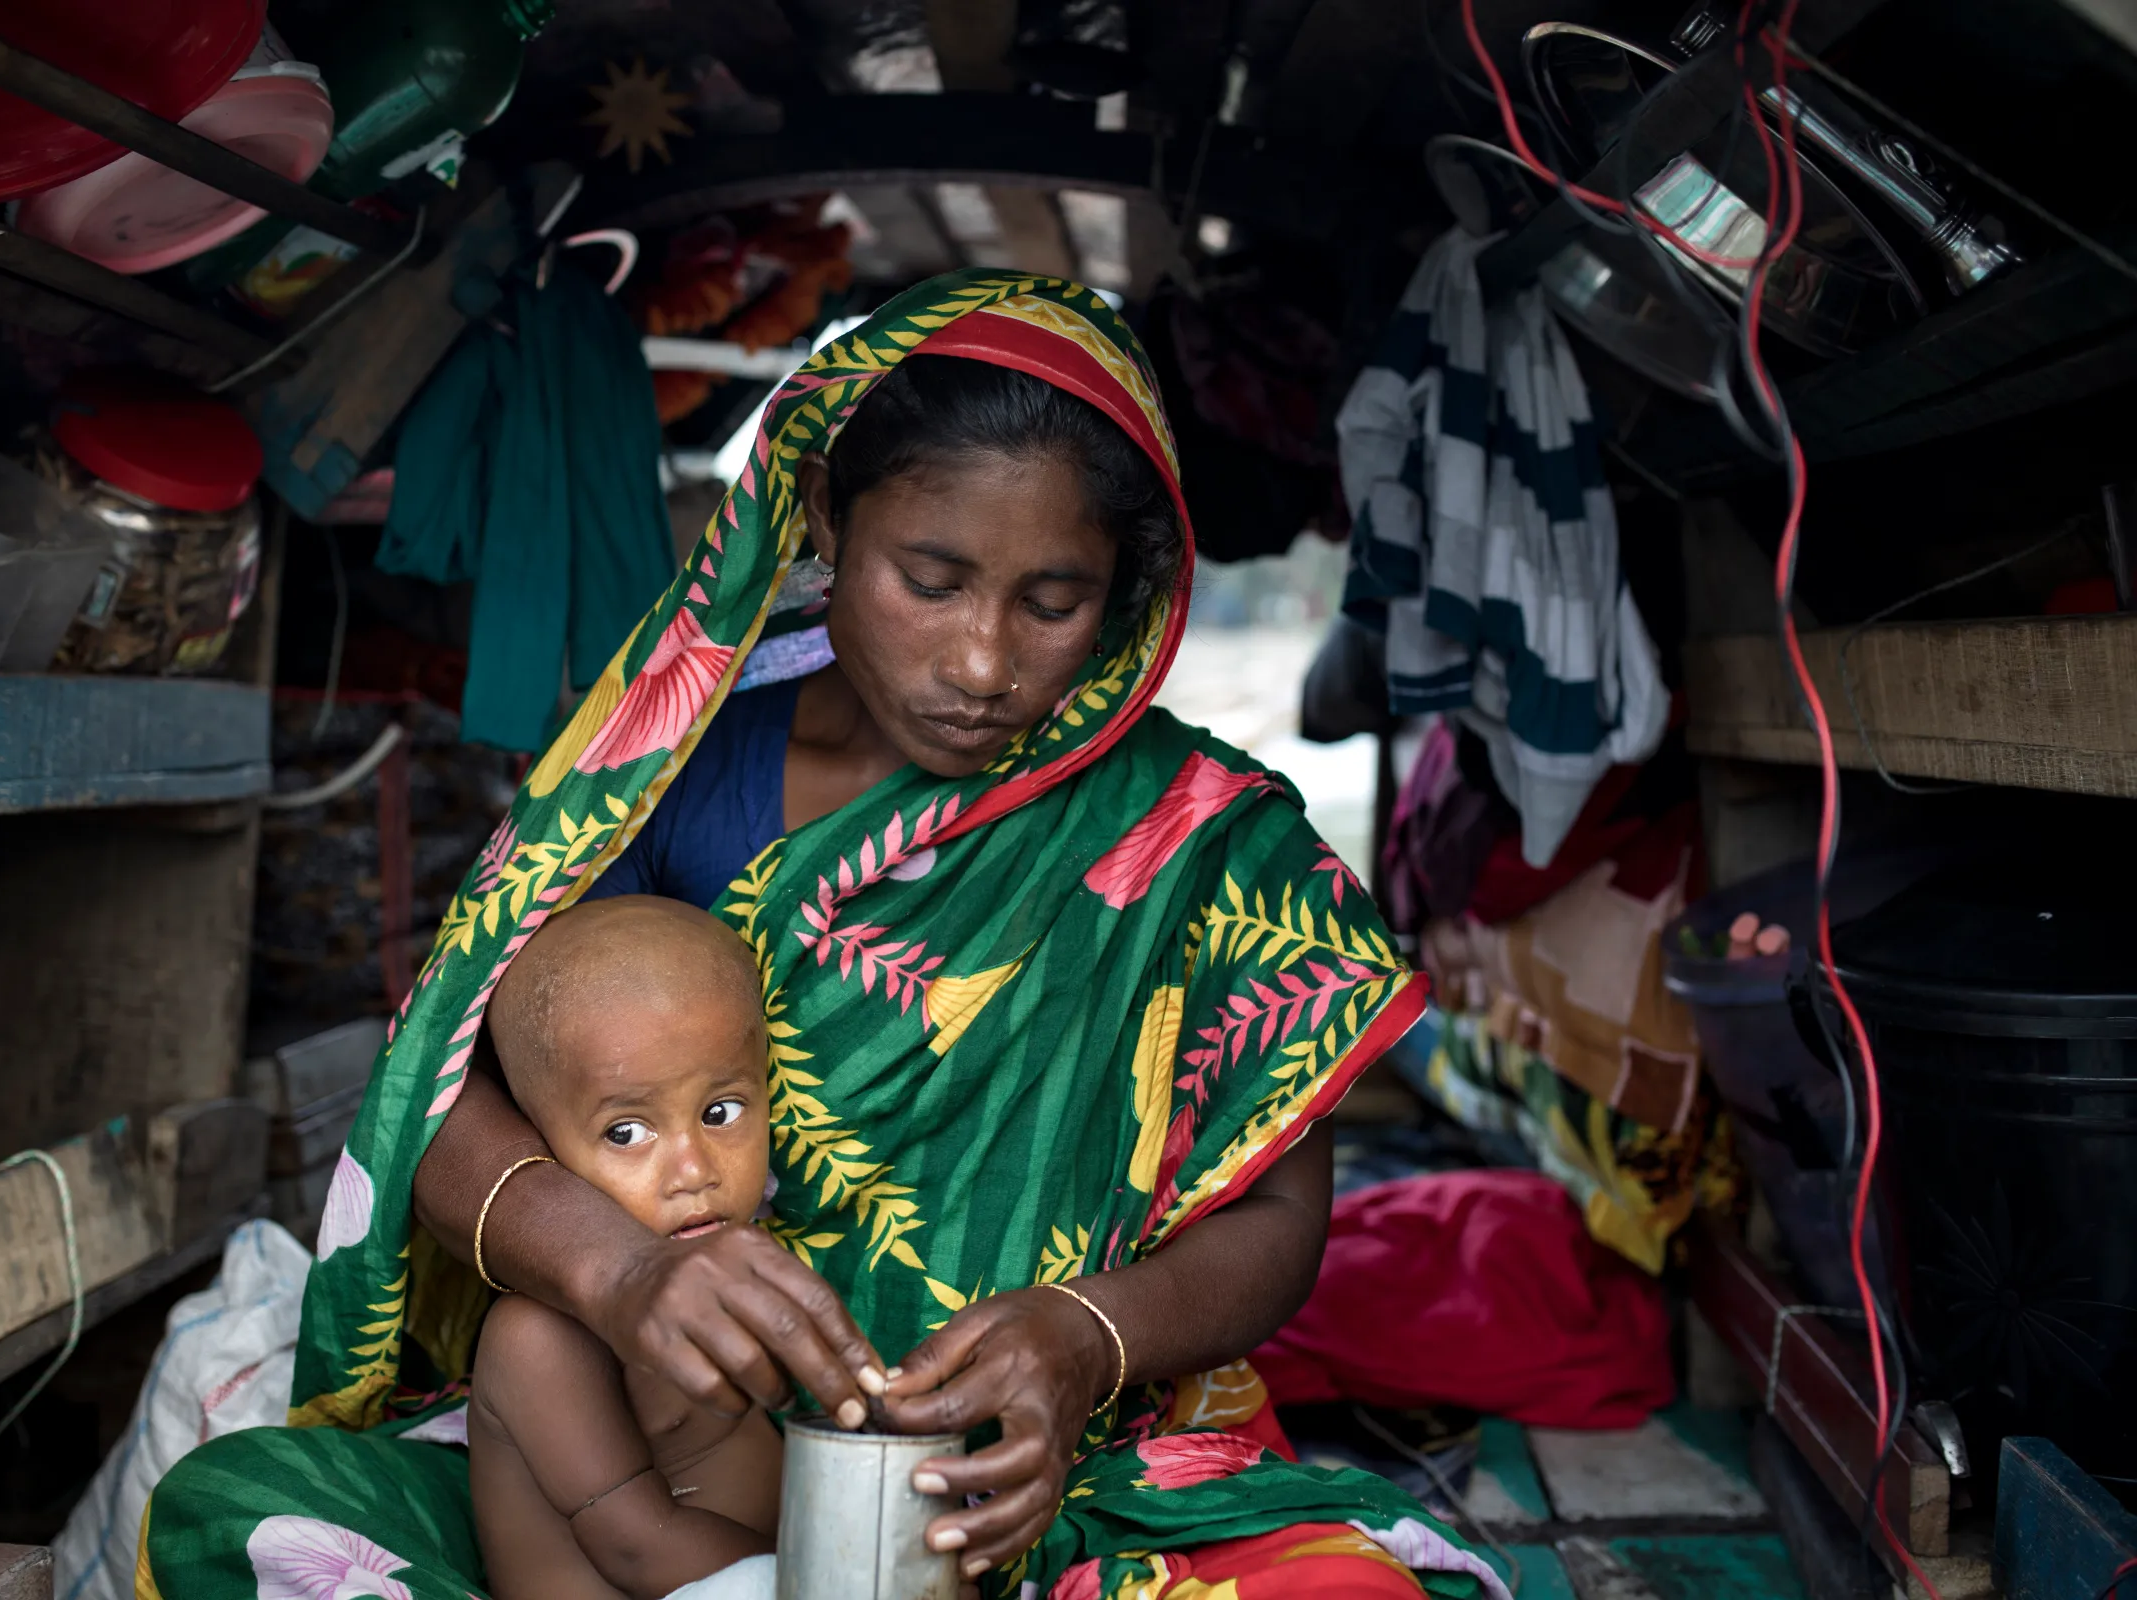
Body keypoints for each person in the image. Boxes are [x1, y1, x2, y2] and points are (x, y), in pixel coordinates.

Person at [142, 272, 1509, 1600]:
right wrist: (623, 1279)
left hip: (1074, 1453)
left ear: (1129, 596)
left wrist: (1087, 1337)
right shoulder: (663, 772)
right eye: (932, 578)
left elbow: (1283, 1217)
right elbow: (441, 1098)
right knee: (253, 1522)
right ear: (825, 528)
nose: (982, 664)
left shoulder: (1205, 841)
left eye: (1051, 602)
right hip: (675, 1448)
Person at [471, 896, 782, 1600]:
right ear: (541, 1146)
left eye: (720, 1113)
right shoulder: (540, 1340)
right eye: (626, 1133)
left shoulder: (747, 1256)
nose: (694, 1170)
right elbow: (638, 1547)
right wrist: (840, 1574)